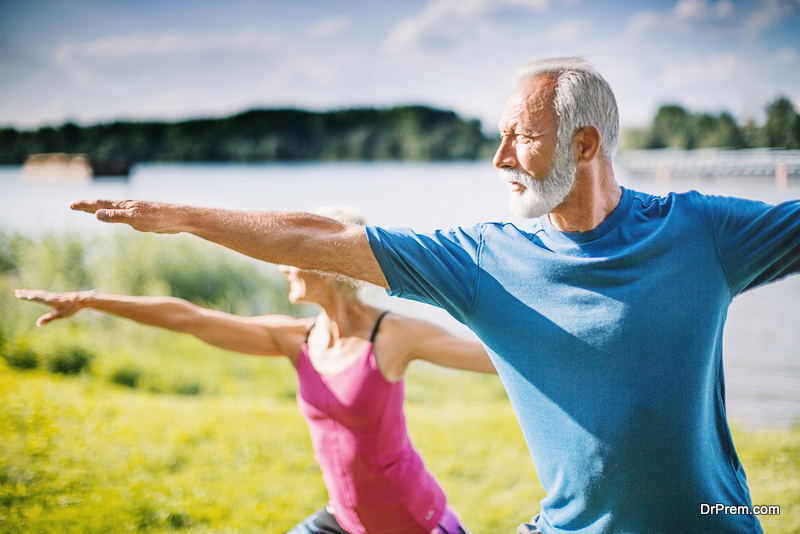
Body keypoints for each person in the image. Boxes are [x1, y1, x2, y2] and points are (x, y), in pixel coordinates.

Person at [68, 57, 800, 534]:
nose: (499, 156)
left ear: (583, 144)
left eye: (520, 136)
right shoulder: (483, 260)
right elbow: (317, 237)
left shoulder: (701, 231)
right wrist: (181, 217)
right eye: (498, 135)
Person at [15, 207, 496, 534]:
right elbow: (191, 319)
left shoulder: (391, 336)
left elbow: (492, 360)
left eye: (292, 257)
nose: (283, 267)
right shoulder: (296, 339)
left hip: (410, 521)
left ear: (328, 264)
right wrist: (91, 300)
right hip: (343, 520)